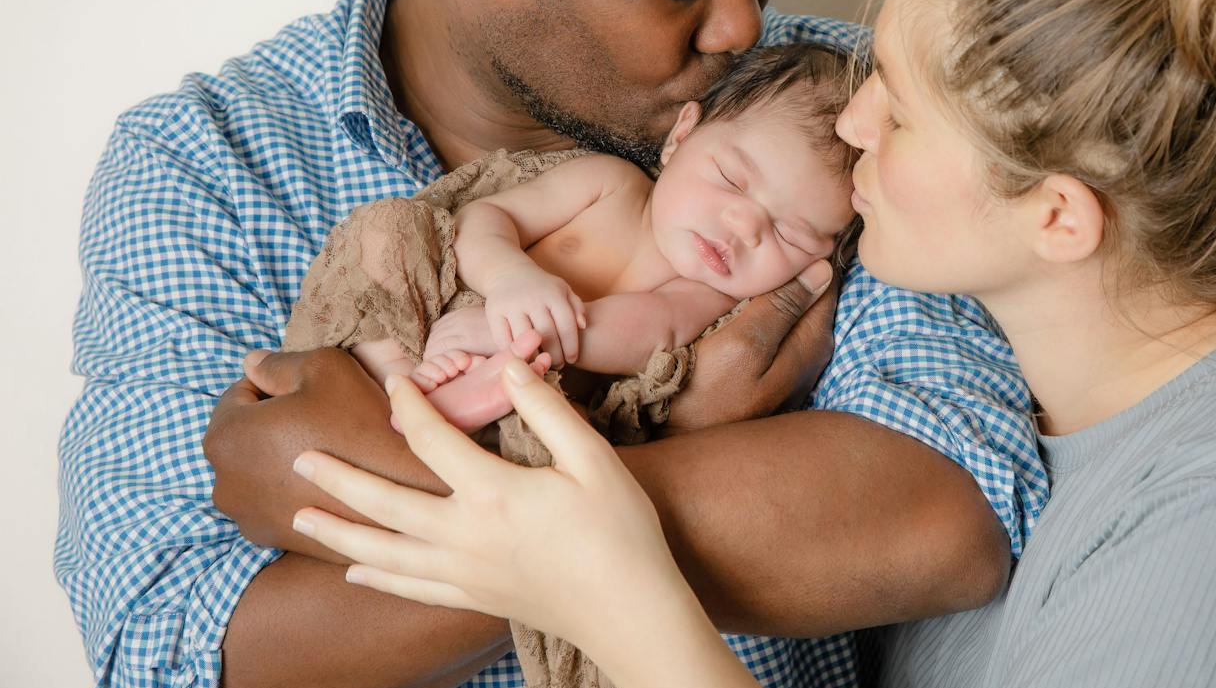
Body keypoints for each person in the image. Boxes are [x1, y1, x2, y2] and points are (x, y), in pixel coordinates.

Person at [54, 0, 1044, 688]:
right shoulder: (213, 167)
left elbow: (949, 512)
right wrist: (694, 439)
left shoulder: (829, 109)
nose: (740, 28)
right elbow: (185, 656)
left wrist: (423, 492)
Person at [293, 0, 1216, 688]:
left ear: (1056, 217)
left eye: (902, 110)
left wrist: (618, 600)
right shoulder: (1084, 413)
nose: (853, 126)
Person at [337, 43, 861, 428]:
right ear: (682, 136)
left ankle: (454, 405)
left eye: (791, 234)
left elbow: (650, 332)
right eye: (730, 178)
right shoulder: (608, 182)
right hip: (441, 302)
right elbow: (487, 220)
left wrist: (519, 336)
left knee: (566, 423)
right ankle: (393, 370)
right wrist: (512, 280)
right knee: (388, 232)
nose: (745, 229)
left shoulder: (710, 293)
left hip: (528, 365)